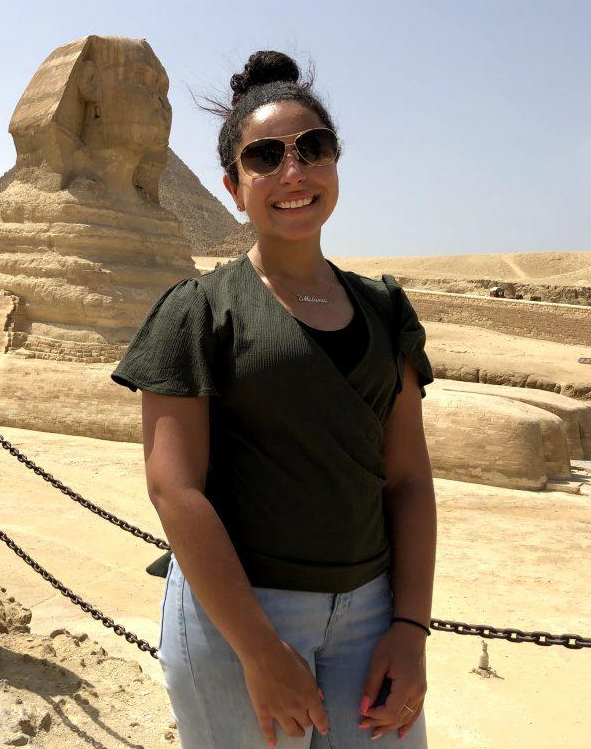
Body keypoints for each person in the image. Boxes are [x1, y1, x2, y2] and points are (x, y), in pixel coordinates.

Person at [110, 50, 436, 748]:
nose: (294, 172)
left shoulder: (385, 310)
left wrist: (410, 630)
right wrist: (257, 650)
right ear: (232, 187)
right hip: (239, 616)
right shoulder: (197, 310)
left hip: (373, 612)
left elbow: (408, 479)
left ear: (336, 165)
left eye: (313, 149)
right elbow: (175, 491)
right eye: (266, 157)